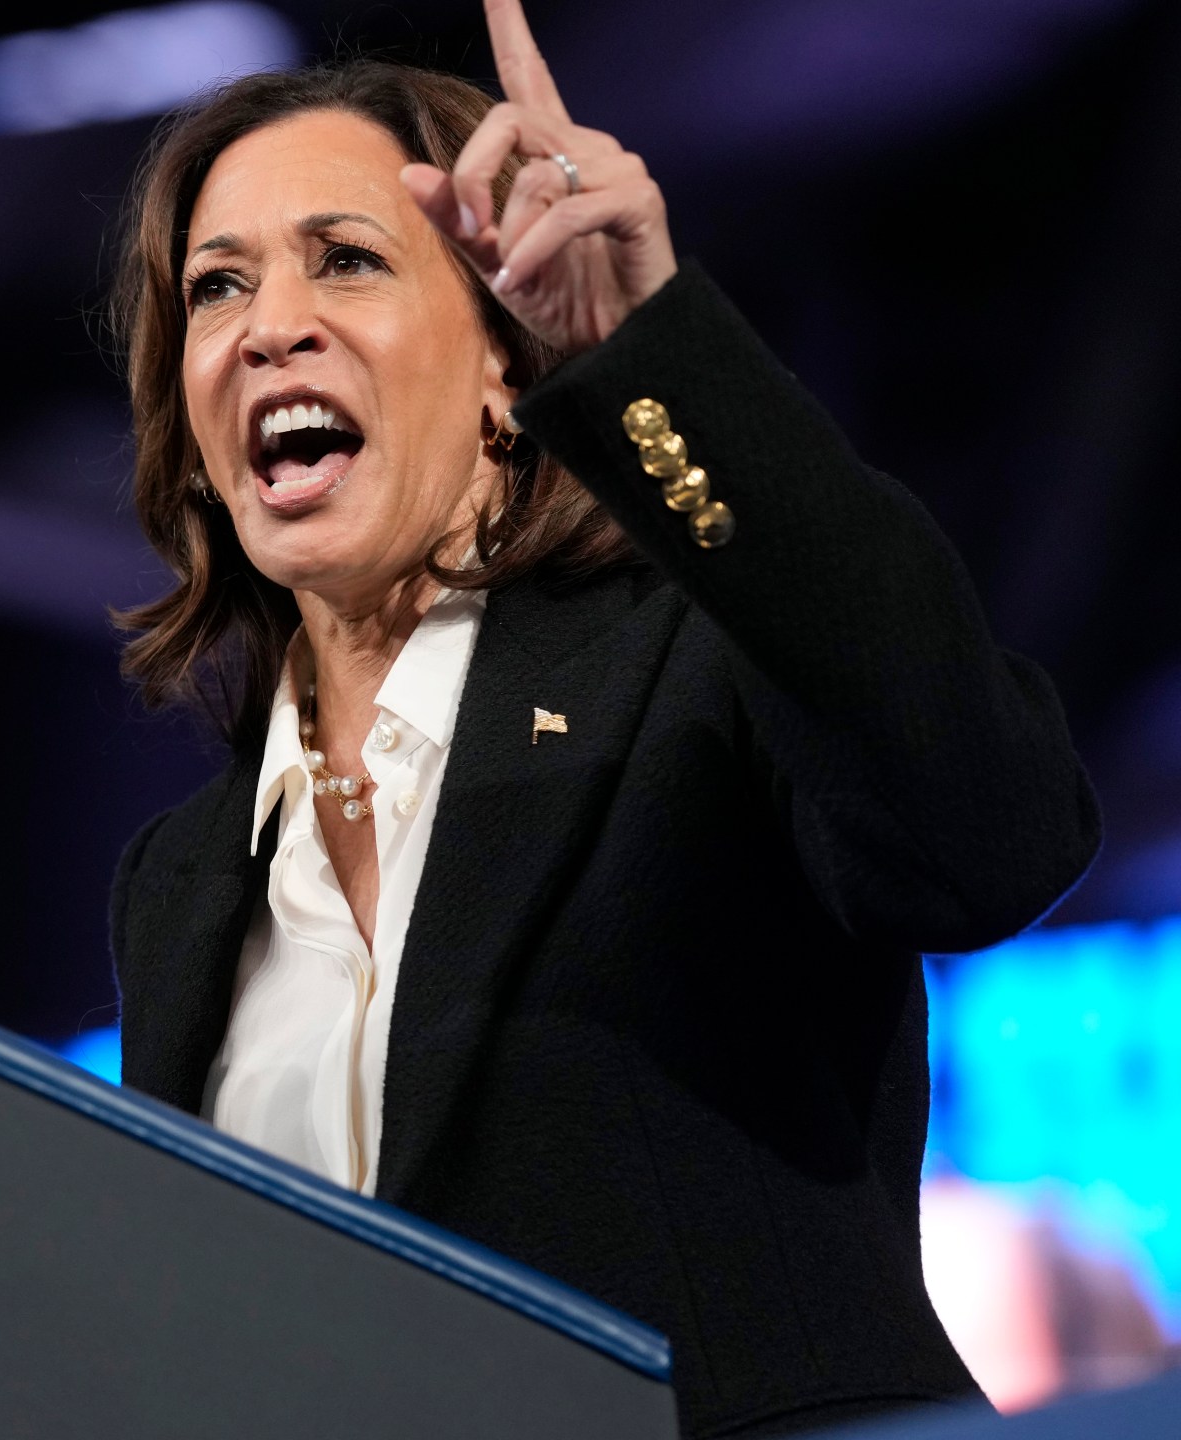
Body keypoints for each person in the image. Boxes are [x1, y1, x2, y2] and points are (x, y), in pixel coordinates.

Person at [103, 3, 1100, 1435]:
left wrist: (648, 357)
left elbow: (993, 832)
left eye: (348, 260)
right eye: (215, 288)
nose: (271, 329)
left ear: (510, 367)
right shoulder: (180, 885)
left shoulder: (696, 685)